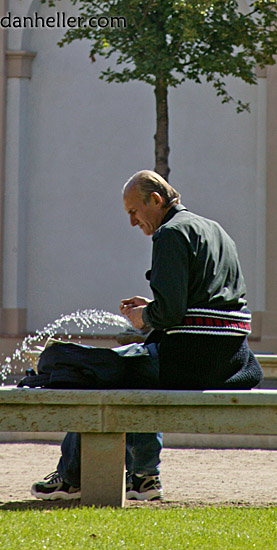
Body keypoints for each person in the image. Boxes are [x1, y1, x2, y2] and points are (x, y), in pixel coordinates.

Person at [31, 169, 263, 501]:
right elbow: (204, 302)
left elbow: (168, 315)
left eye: (133, 211)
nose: (132, 222)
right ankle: (143, 478)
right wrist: (154, 306)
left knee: (97, 373)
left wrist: (143, 317)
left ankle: (71, 478)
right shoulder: (217, 231)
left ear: (155, 200)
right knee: (136, 375)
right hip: (231, 362)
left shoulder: (170, 233)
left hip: (184, 360)